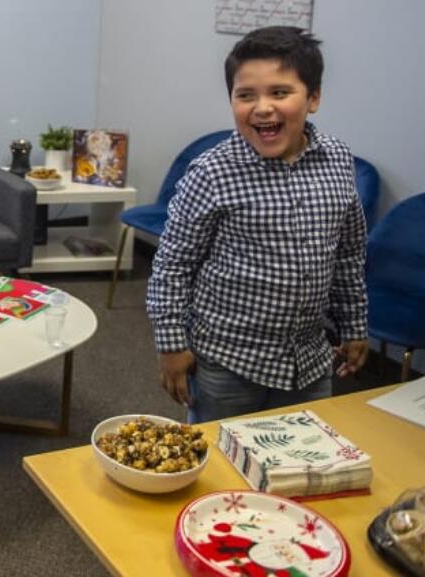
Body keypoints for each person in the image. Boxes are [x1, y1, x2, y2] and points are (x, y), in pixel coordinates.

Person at [146, 26, 368, 423]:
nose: (262, 107)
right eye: (245, 95)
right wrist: (171, 344)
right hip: (229, 362)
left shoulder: (338, 160)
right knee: (222, 465)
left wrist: (353, 324)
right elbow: (172, 265)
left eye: (280, 93)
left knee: (302, 464)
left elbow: (348, 254)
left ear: (313, 98)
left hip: (309, 361)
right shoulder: (212, 172)